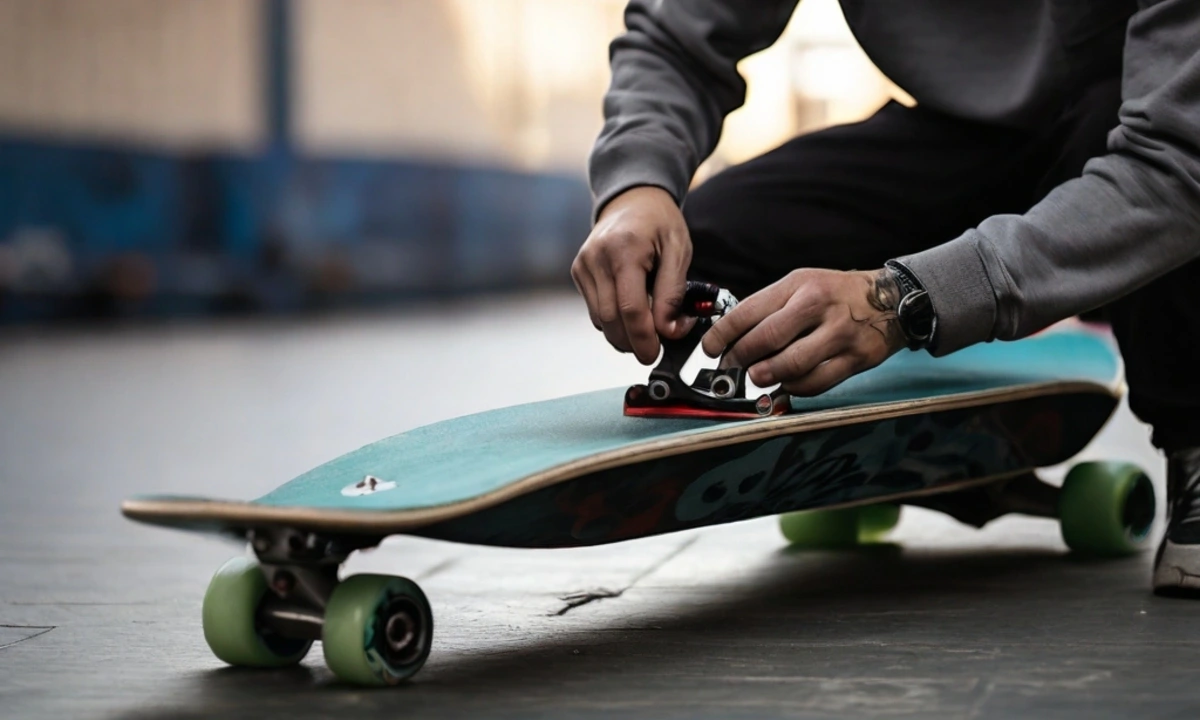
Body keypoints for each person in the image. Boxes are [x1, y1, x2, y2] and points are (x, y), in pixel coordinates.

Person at [570, 0, 1200, 594]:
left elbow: (1178, 162)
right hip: (960, 136)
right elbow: (678, 35)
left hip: (1141, 125)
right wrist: (636, 185)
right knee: (704, 245)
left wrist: (901, 300)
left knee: (1162, 179)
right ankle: (880, 425)